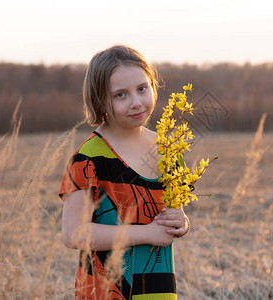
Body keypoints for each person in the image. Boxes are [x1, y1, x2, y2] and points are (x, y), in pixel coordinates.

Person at [59, 45, 190, 300]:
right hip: (108, 290)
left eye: (142, 88)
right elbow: (73, 234)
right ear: (99, 100)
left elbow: (174, 215)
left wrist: (182, 223)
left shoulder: (168, 150)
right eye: (121, 95)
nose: (136, 102)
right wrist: (146, 233)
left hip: (158, 289)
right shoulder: (89, 157)